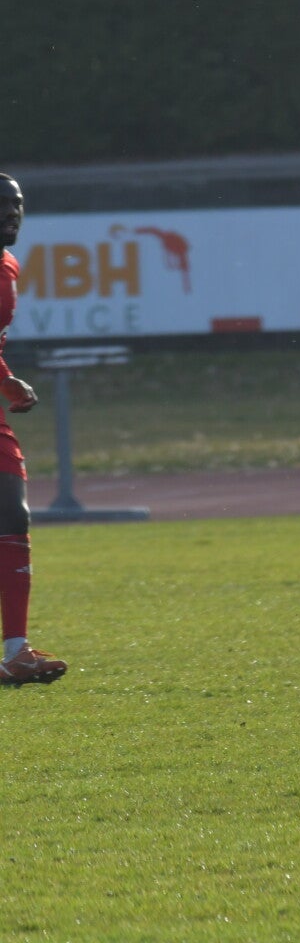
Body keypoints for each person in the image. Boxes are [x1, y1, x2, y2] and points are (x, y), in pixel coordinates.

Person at [0, 175, 64, 687]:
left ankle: (16, 650)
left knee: (12, 514)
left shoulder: (8, 264)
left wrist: (8, 382)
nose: (11, 214)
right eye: (2, 206)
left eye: (17, 206)